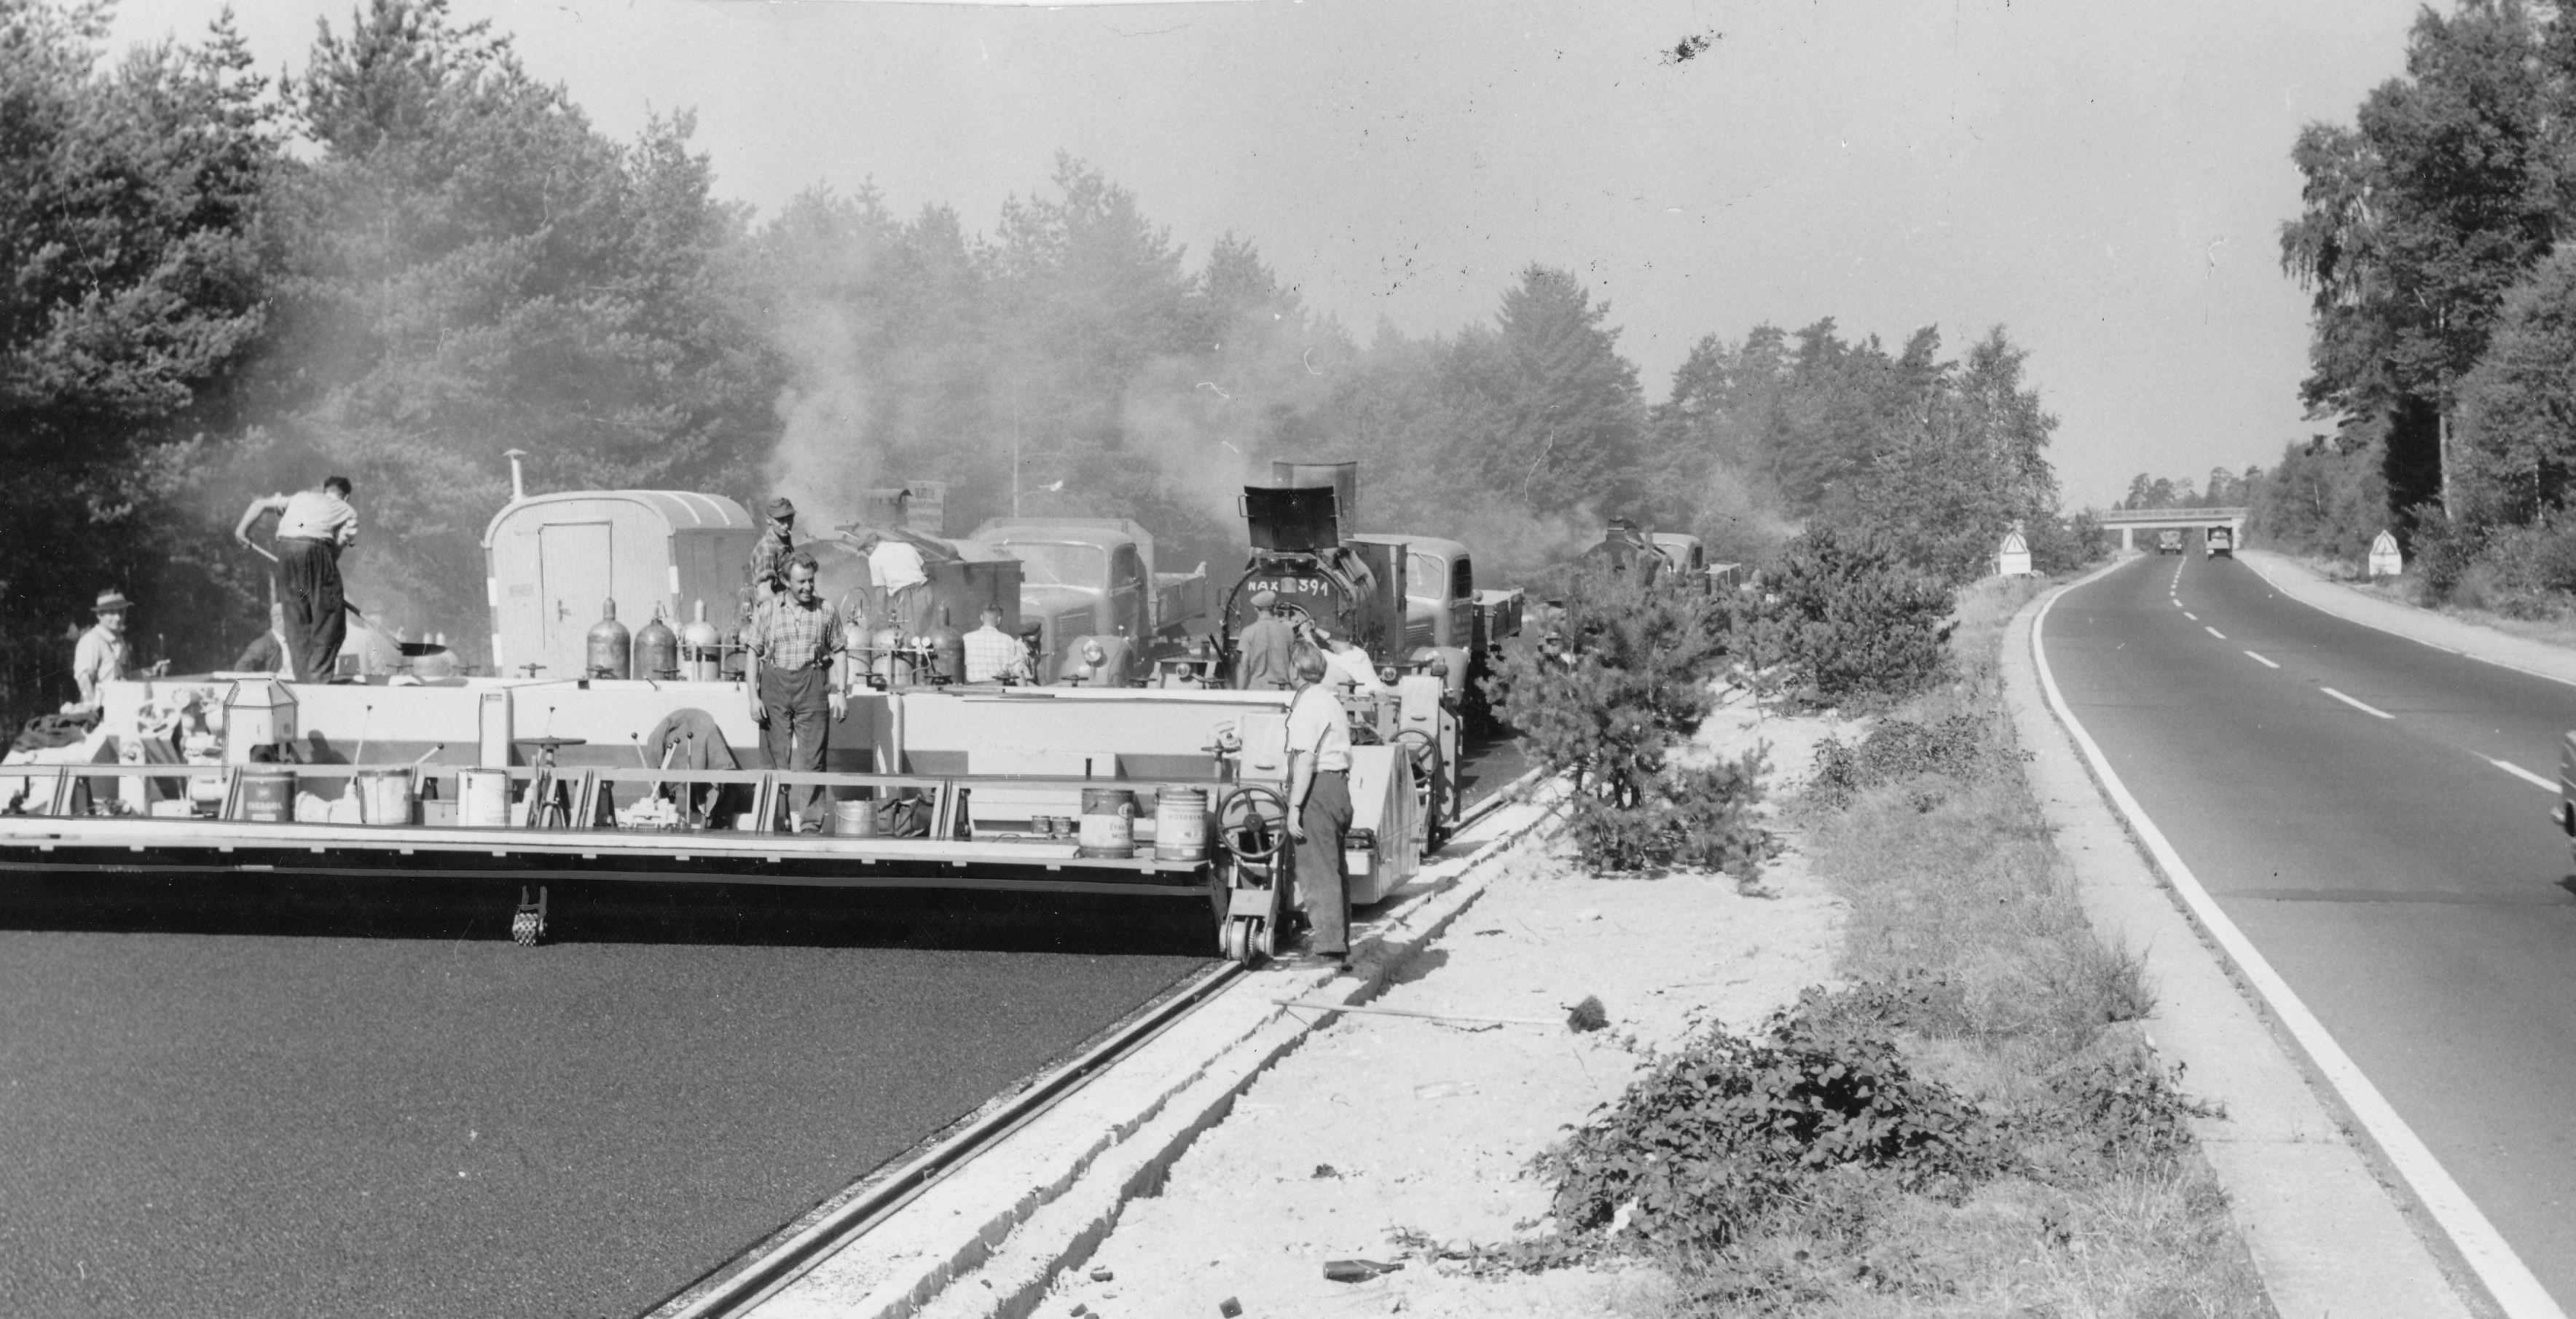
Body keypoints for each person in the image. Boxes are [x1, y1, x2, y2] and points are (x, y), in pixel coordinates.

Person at [742, 553, 848, 832]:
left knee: (813, 759)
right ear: (785, 582)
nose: (808, 587)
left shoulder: (826, 610)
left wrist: (841, 693)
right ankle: (778, 822)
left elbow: (839, 650)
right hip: (775, 689)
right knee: (775, 758)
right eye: (801, 582)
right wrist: (753, 698)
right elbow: (753, 653)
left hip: (811, 687)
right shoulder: (767, 610)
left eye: (811, 581)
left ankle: (811, 824)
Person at [235, 476, 358, 681]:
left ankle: (304, 679)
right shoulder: (347, 510)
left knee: (296, 616)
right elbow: (336, 548)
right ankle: (318, 677)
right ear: (346, 496)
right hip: (317, 549)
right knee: (330, 616)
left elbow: (259, 504)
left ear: (324, 490)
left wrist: (242, 530)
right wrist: (324, 585)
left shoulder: (301, 498)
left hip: (286, 550)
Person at [1284, 645, 1354, 969]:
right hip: (1339, 787)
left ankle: (1327, 949)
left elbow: (1306, 759)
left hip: (1319, 789)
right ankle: (1339, 944)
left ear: (1295, 670)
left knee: (1317, 870)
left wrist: (1294, 806)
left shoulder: (1306, 705)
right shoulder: (1331, 701)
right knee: (1336, 869)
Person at [71, 588, 163, 706]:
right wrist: (94, 712)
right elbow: (84, 680)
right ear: (99, 615)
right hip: (103, 712)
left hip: (124, 707)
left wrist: (153, 671)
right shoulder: (92, 640)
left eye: (121, 612)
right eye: (112, 613)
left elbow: (124, 677)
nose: (118, 618)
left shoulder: (118, 639)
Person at [1233, 589, 1297, 690]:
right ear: (1275, 608)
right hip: (1283, 690)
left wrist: (1239, 694)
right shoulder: (1288, 632)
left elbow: (1244, 667)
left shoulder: (1248, 632)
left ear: (1256, 609)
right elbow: (1295, 667)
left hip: (1257, 690)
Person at [962, 602, 1033, 683]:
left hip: (973, 691)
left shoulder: (966, 639)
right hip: (998, 689)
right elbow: (1017, 670)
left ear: (981, 618)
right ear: (999, 619)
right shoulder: (1008, 641)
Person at [748, 496, 798, 611]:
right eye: (781, 520)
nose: (786, 525)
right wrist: (792, 612)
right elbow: (765, 594)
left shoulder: (785, 544)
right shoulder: (767, 550)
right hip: (772, 618)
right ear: (768, 519)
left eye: (789, 518)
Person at [1307, 626, 1386, 695]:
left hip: (1368, 700)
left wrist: (1306, 634)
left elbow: (1315, 652)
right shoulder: (1360, 653)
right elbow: (1337, 640)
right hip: (1382, 694)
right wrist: (1315, 629)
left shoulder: (1339, 660)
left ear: (1334, 645)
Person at [230, 602, 295, 677]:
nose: (296, 622)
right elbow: (241, 668)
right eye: (291, 618)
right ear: (279, 619)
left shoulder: (296, 644)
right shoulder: (261, 645)